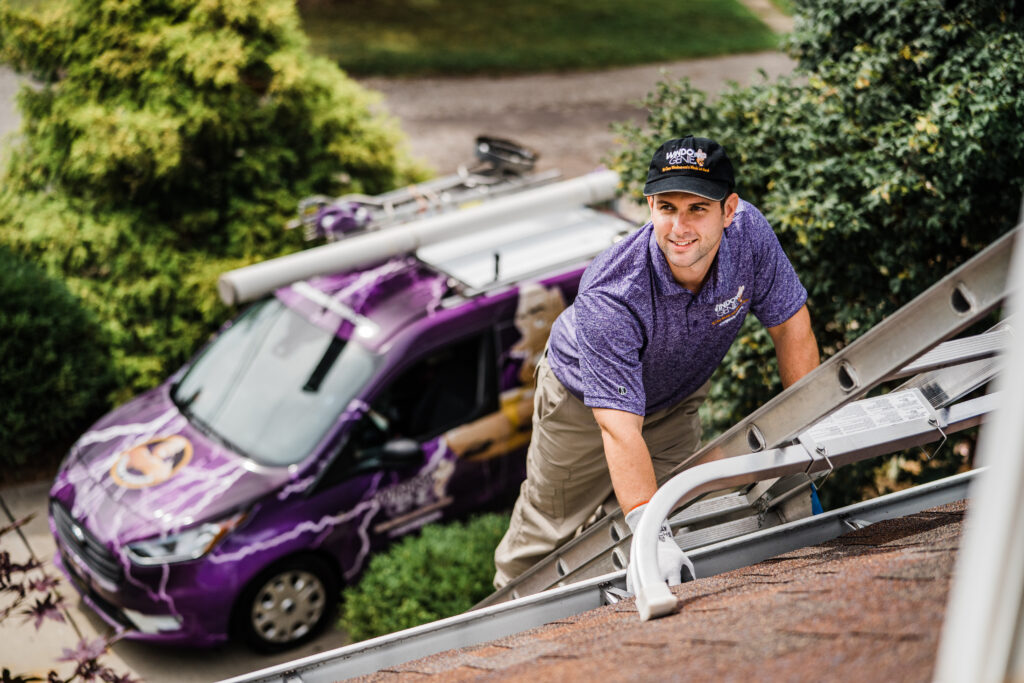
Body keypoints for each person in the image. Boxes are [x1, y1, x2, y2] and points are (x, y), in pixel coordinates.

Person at [493, 135, 820, 589]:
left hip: (673, 399)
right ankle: (508, 612)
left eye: (697, 209)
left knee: (679, 508)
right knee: (549, 527)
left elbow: (790, 326)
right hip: (582, 406)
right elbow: (618, 428)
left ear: (729, 211)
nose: (679, 227)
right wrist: (651, 536)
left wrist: (809, 430)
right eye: (667, 208)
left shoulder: (750, 237)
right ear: (650, 206)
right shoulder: (612, 293)